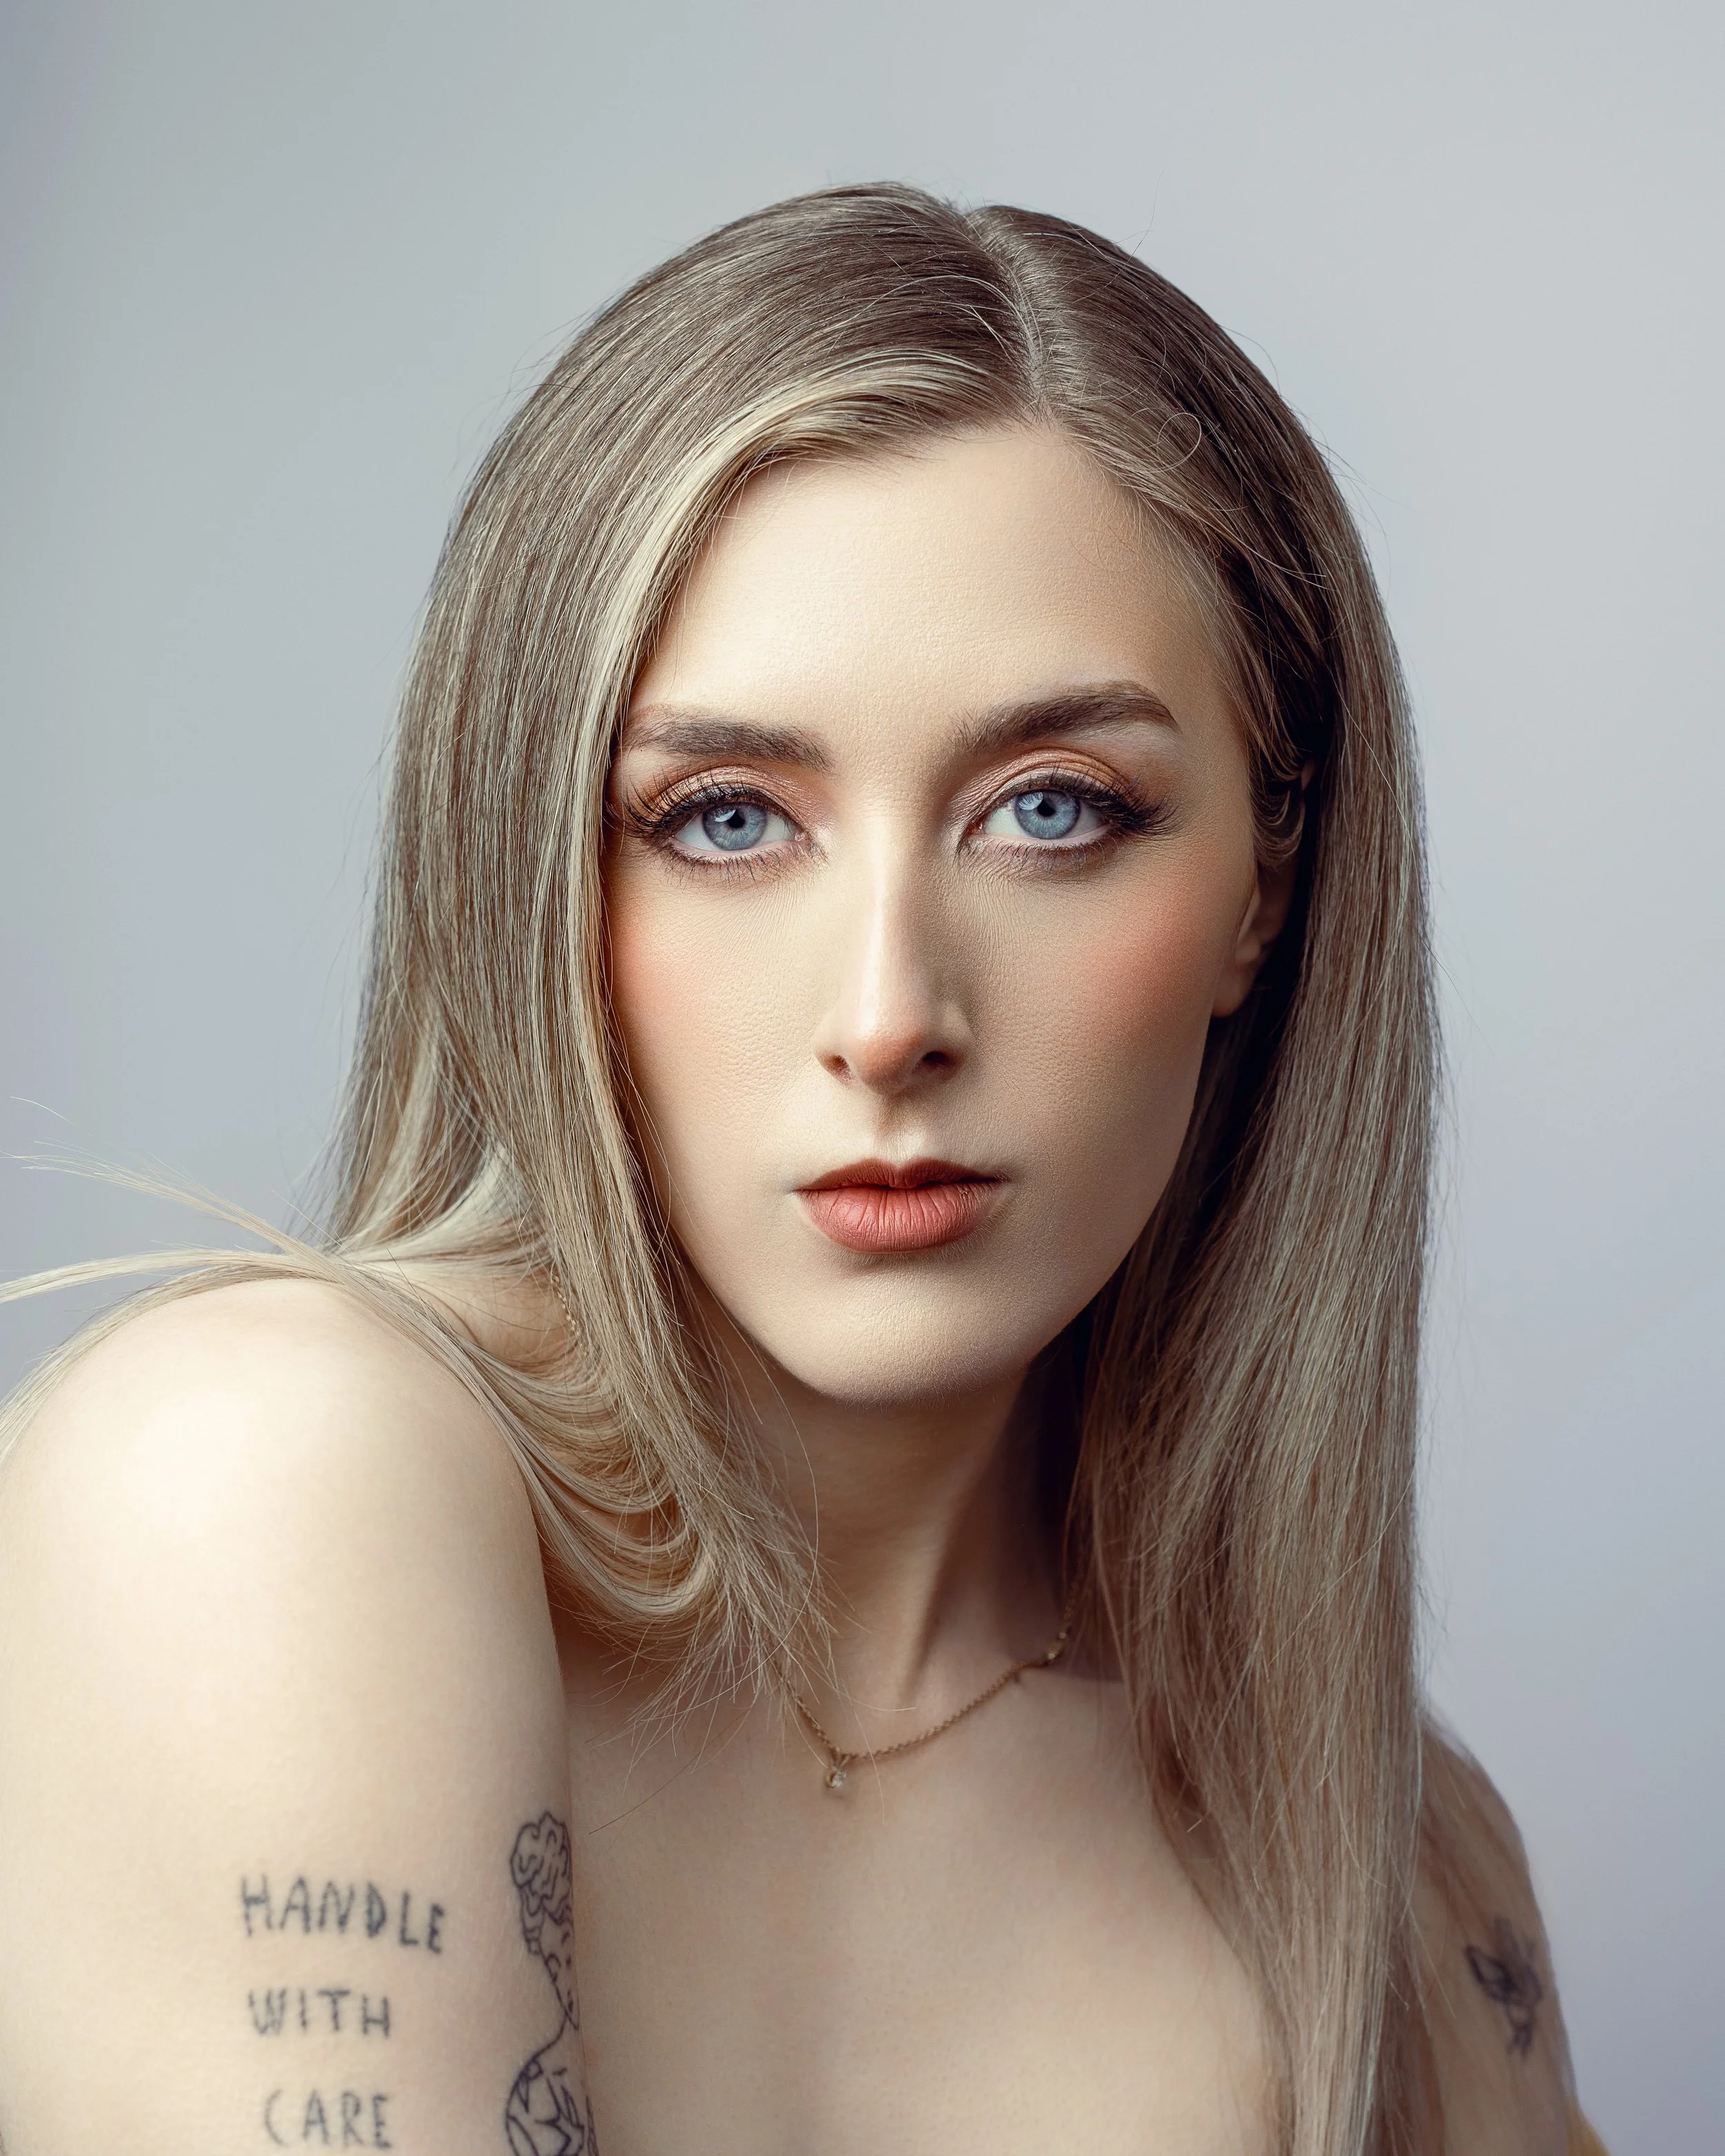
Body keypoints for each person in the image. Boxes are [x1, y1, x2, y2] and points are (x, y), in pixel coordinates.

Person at [0, 185, 1604, 2155]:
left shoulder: (1394, 1883)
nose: (885, 1014)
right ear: (539, 886)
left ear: (1260, 892)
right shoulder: (267, 1475)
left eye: (1049, 809)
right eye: (727, 817)